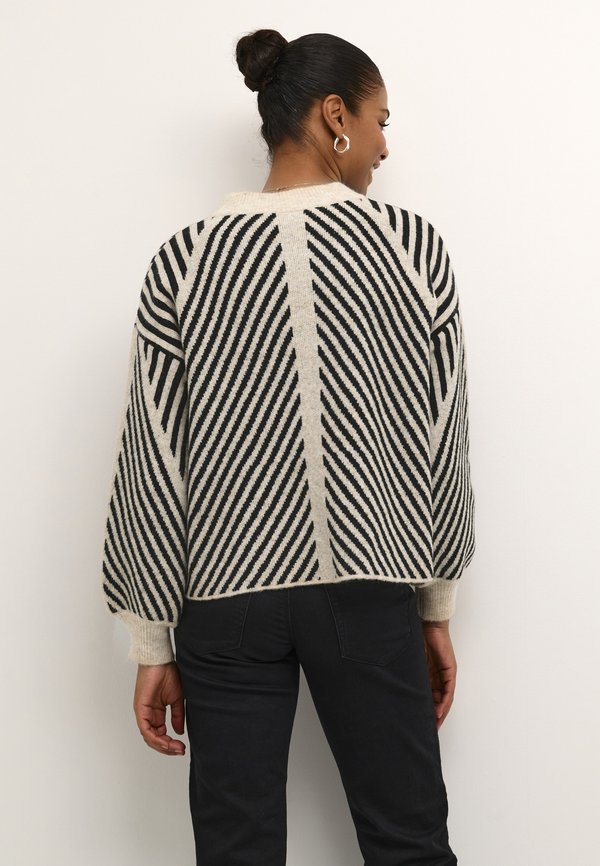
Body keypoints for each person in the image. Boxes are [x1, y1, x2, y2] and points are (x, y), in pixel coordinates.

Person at [101, 28, 476, 866]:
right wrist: (435, 604)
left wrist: (153, 641)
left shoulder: (183, 263)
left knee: (235, 853)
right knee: (410, 843)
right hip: (369, 585)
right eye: (380, 120)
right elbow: (438, 438)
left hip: (225, 598)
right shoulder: (413, 252)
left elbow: (155, 457)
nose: (386, 144)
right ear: (335, 115)